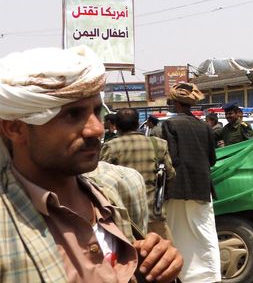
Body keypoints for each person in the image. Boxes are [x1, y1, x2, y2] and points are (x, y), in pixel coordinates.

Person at [0, 46, 182, 282]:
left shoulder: (118, 187)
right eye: (72, 115)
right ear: (15, 128)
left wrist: (159, 265)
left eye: (97, 111)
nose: (97, 129)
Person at [157, 82, 221, 282]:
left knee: (176, 232)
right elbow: (212, 159)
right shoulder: (205, 127)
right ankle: (210, 276)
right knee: (205, 231)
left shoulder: (170, 125)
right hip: (202, 187)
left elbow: (172, 158)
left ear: (175, 103)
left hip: (177, 187)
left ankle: (182, 274)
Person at [101, 108, 176, 239]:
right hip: (154, 214)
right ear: (138, 124)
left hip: (123, 219)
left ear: (116, 126)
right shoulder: (158, 144)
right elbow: (170, 175)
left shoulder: (111, 146)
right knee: (163, 255)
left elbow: (100, 181)